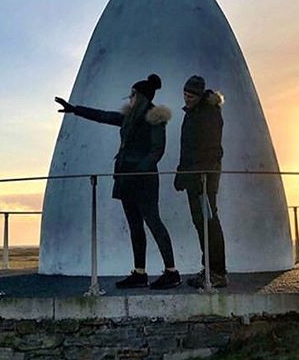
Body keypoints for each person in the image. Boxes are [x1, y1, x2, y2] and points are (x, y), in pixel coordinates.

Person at [55, 74, 181, 290]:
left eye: (132, 94)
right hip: (125, 178)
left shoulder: (155, 119)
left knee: (154, 222)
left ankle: (172, 272)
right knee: (134, 225)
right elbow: (103, 116)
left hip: (143, 180)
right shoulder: (129, 118)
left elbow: (157, 150)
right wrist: (75, 109)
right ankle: (140, 273)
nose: (129, 98)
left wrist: (140, 170)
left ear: (141, 97)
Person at [174, 75, 228, 288]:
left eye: (190, 96)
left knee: (209, 222)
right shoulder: (194, 112)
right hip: (195, 177)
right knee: (201, 223)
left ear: (199, 96)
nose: (186, 99)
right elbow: (187, 148)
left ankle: (217, 272)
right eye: (185, 95)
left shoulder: (208, 114)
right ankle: (209, 269)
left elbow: (210, 149)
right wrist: (182, 173)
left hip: (204, 178)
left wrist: (200, 174)